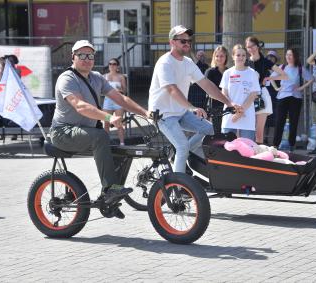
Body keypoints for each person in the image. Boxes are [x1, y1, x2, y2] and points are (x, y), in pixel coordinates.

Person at [50, 39, 150, 207]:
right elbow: (80, 106)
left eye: (90, 55)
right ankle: (110, 188)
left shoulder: (96, 77)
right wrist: (109, 118)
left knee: (117, 149)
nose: (87, 59)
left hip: (84, 132)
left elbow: (120, 98)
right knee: (100, 136)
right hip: (62, 132)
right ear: (73, 57)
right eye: (82, 55)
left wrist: (146, 113)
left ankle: (111, 197)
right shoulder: (66, 78)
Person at [148, 25, 241, 173]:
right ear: (172, 42)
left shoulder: (188, 62)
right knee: (183, 146)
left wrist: (229, 102)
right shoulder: (165, 62)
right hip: (163, 115)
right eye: (182, 41)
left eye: (189, 41)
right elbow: (172, 89)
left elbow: (206, 84)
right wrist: (192, 108)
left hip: (181, 112)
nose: (187, 43)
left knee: (208, 129)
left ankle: (179, 156)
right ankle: (178, 186)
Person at [245, 36, 288, 144]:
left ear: (257, 46)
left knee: (259, 132)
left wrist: (269, 78)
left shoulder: (265, 61)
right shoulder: (245, 62)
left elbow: (284, 76)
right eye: (248, 47)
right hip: (246, 96)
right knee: (248, 130)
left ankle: (258, 156)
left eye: (253, 46)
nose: (251, 49)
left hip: (261, 96)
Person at [271, 48, 313, 152]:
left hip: (295, 98)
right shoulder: (282, 67)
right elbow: (271, 77)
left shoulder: (300, 68)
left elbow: (311, 79)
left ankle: (291, 145)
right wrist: (276, 88)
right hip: (282, 98)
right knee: (279, 121)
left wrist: (300, 88)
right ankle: (275, 145)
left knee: (294, 122)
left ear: (295, 57)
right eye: (287, 55)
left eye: (291, 55)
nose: (288, 57)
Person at [220, 44, 260, 140]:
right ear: (233, 56)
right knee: (226, 147)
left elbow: (253, 94)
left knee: (247, 149)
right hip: (230, 115)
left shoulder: (252, 73)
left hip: (247, 115)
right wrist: (233, 107)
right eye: (238, 55)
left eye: (243, 55)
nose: (241, 57)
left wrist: (240, 112)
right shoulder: (227, 73)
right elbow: (224, 94)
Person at [102, 58, 127, 145]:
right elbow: (101, 90)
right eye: (110, 64)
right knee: (106, 123)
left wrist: (120, 90)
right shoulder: (104, 76)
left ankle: (122, 143)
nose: (112, 65)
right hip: (108, 101)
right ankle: (106, 143)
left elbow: (124, 90)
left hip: (118, 101)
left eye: (114, 64)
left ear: (117, 66)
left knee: (119, 123)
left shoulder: (121, 77)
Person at [205, 45, 229, 134]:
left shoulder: (230, 72)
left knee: (227, 133)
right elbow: (209, 91)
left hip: (228, 107)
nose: (219, 58)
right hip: (215, 108)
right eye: (217, 56)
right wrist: (224, 97)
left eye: (222, 56)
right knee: (216, 133)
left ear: (226, 57)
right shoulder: (210, 72)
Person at [265, 50, 280, 143]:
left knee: (274, 119)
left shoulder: (278, 69)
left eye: (272, 57)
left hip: (276, 97)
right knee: (265, 118)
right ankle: (264, 139)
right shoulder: (264, 69)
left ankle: (272, 140)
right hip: (265, 97)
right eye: (268, 57)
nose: (270, 59)